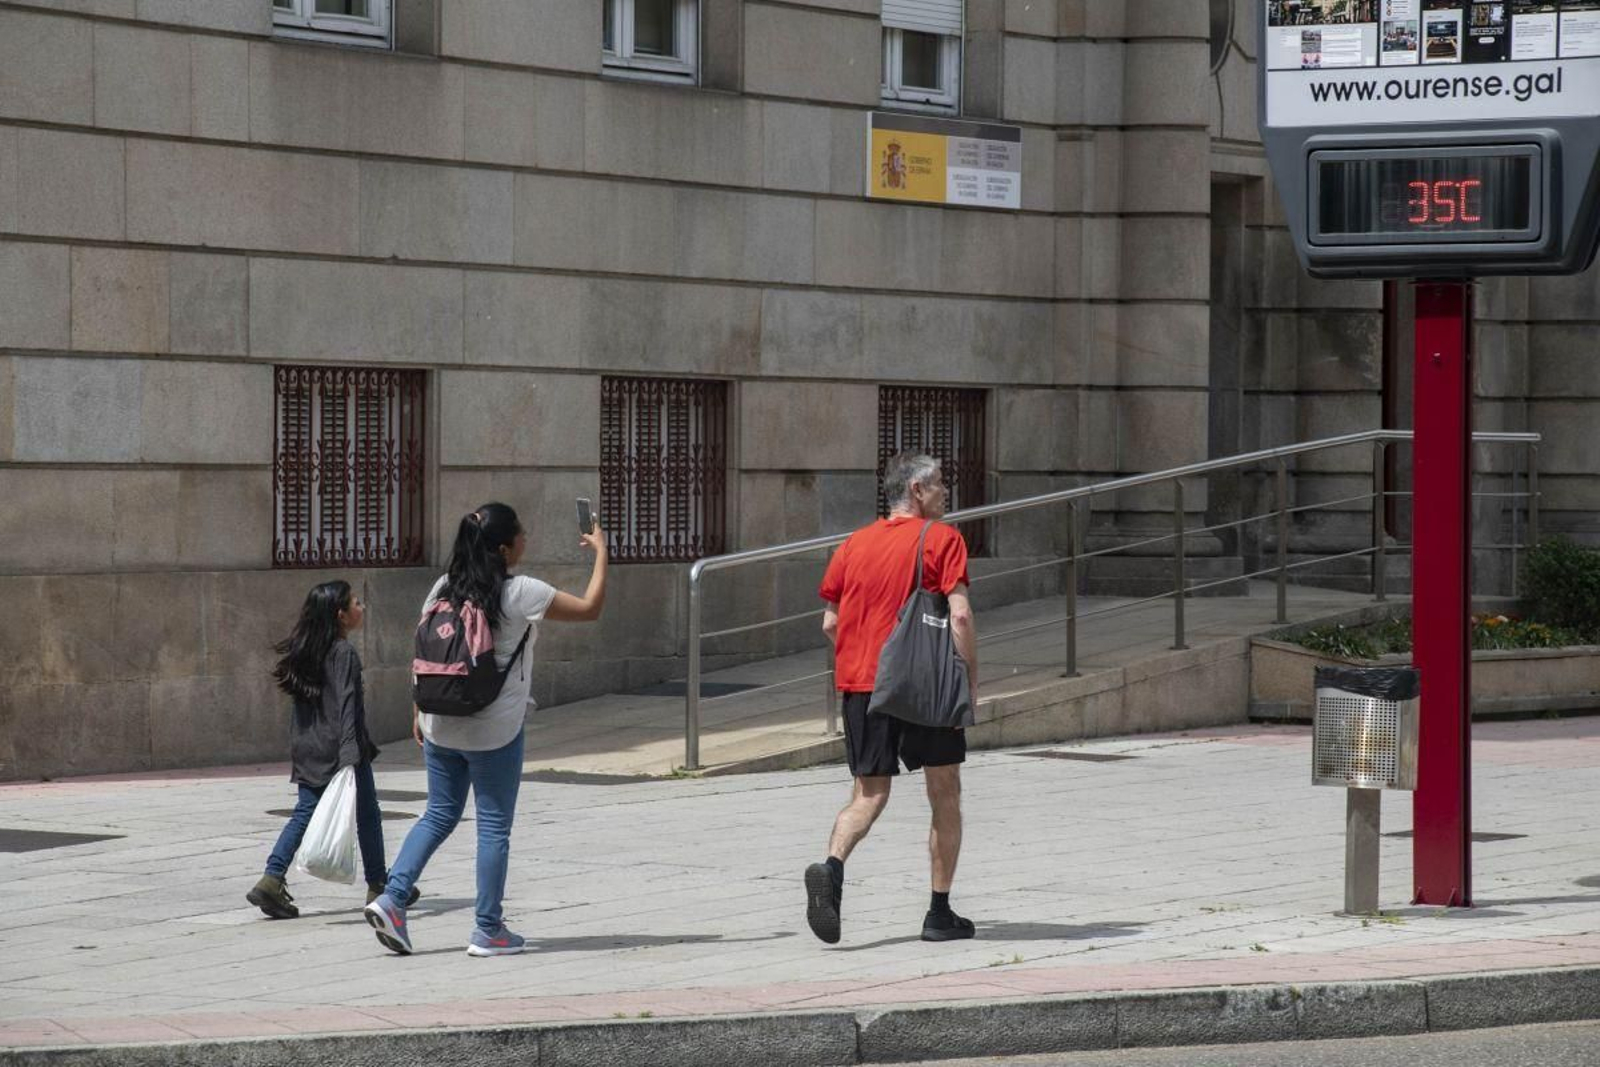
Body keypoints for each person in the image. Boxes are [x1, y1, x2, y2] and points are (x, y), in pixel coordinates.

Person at [365, 502, 607, 957]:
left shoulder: (444, 586)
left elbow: (423, 650)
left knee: (438, 814)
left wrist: (417, 712)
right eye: (521, 534)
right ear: (502, 548)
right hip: (494, 729)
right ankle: (488, 929)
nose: (526, 540)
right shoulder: (522, 592)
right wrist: (601, 552)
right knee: (493, 827)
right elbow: (591, 609)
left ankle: (393, 898)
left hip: (438, 722)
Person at [804, 452, 979, 945]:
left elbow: (830, 622)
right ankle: (939, 914)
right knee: (944, 791)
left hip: (862, 685)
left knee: (869, 794)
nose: (947, 491)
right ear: (918, 491)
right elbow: (960, 617)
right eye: (941, 483)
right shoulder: (943, 540)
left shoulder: (853, 544)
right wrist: (968, 677)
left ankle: (831, 869)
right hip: (923, 688)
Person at [249, 580, 413, 918]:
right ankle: (379, 884)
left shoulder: (306, 650)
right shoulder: (343, 653)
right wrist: (352, 755)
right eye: (355, 602)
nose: (361, 607)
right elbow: (347, 705)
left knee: (305, 813)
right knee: (368, 815)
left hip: (308, 745)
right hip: (342, 748)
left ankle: (272, 876)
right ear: (340, 615)